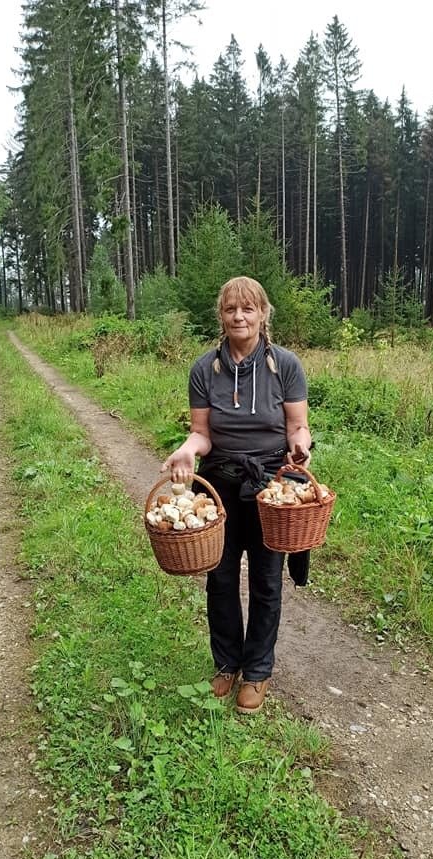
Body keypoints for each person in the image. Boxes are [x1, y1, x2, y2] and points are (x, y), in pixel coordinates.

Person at [162, 276, 312, 715]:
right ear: (221, 316)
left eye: (248, 309)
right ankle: (226, 664)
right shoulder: (204, 369)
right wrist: (188, 449)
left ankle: (257, 670)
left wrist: (301, 444)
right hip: (221, 482)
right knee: (221, 578)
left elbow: (297, 427)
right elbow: (201, 434)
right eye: (230, 309)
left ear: (263, 314)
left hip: (270, 484)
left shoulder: (285, 365)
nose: (239, 316)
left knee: (267, 581)